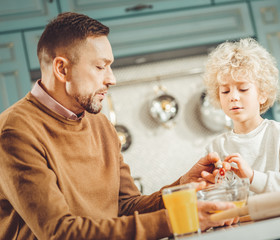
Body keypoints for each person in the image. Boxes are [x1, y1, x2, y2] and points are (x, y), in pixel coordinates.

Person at [0, 12, 238, 240]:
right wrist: (180, 219)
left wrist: (183, 185)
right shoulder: (15, 132)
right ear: (62, 69)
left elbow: (126, 207)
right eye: (100, 67)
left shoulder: (99, 123)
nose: (111, 78)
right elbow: (59, 233)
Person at [202, 38, 280, 194]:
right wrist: (213, 188)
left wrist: (252, 177)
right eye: (225, 91)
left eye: (243, 89)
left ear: (263, 94)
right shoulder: (215, 148)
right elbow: (217, 200)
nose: (233, 97)